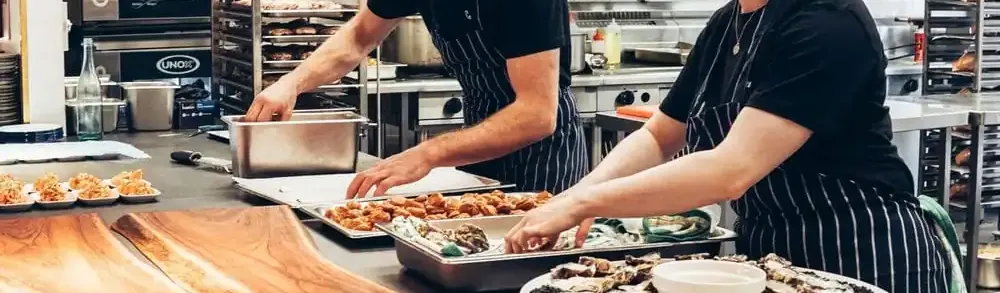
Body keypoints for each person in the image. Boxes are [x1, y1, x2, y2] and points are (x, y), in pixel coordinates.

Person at [504, 0, 949, 292]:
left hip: (864, 253)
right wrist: (573, 198)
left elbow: (730, 170)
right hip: (771, 257)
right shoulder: (726, 25)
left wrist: (586, 202)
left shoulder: (826, 21)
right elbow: (660, 135)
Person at [243, 0, 587, 197]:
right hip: (478, 132)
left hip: (544, 155)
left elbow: (536, 114)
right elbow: (359, 37)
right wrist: (291, 83)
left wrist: (428, 153)